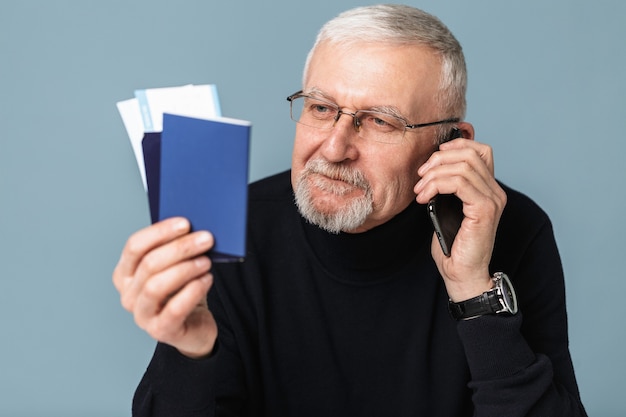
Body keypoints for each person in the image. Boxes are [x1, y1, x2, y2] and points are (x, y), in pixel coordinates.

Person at [113, 4, 587, 416]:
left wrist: (473, 292)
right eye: (320, 108)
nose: (334, 147)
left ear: (450, 145)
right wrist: (192, 351)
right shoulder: (233, 225)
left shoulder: (513, 230)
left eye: (379, 121)